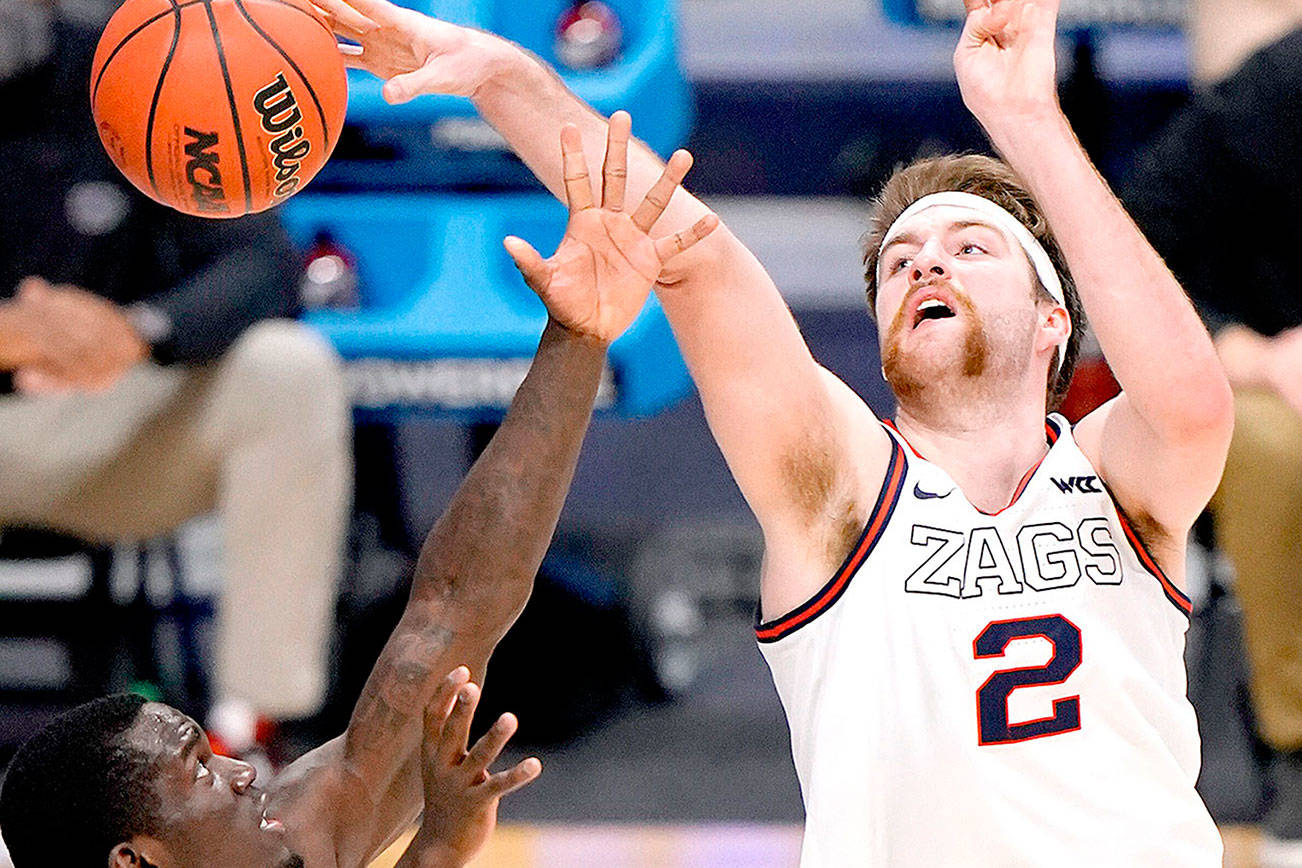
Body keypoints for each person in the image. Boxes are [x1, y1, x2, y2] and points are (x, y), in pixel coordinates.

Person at [320, 0, 1234, 862]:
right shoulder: (844, 485)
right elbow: (696, 262)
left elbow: (1193, 399)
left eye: (970, 249)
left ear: (1051, 322)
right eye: (904, 263)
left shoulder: (1121, 477)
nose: (925, 268)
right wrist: (502, 78)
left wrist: (1028, 117)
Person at [0, 116, 716, 868]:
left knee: (285, 369)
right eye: (201, 767)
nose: (246, 778)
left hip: (108, 422)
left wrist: (577, 337)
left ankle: (255, 705)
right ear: (134, 860)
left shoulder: (298, 828)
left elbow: (453, 607)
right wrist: (435, 850)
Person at [0, 0, 349, 747]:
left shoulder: (128, 71)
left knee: (288, 370)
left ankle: (247, 731)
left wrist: (137, 332)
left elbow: (264, 266)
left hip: (97, 421)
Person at [1124, 23, 1302, 865]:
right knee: (1272, 451)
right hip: (1273, 379)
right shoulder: (1273, 91)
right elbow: (1135, 247)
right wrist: (1251, 352)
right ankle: (1295, 744)